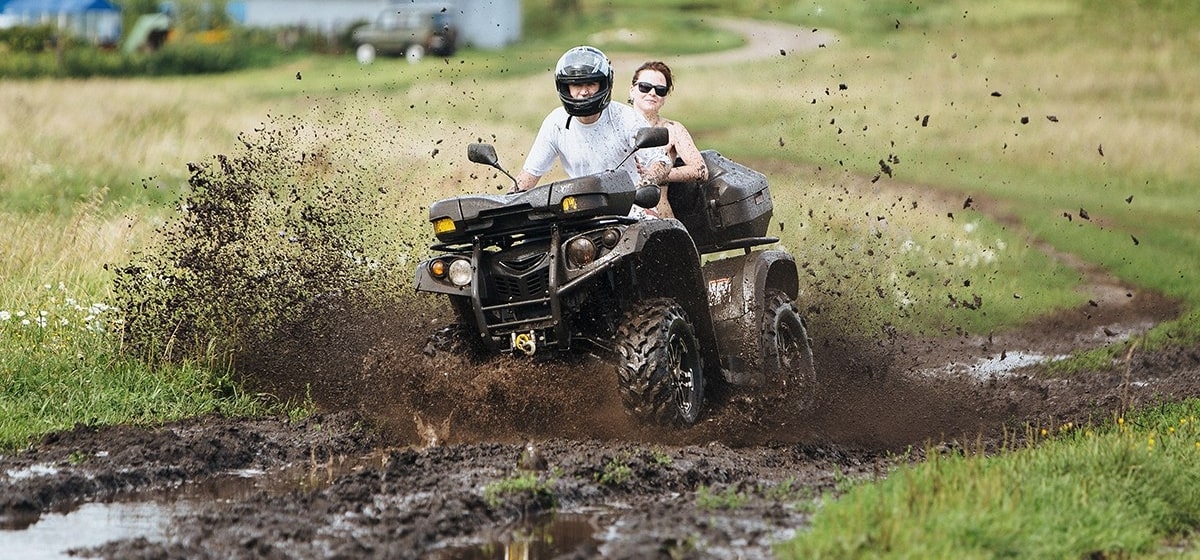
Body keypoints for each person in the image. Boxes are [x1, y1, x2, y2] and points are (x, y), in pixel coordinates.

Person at [514, 46, 670, 198]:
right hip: (582, 208)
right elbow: (529, 175)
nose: (584, 92)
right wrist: (506, 202)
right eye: (576, 84)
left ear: (603, 84)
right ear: (565, 87)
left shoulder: (625, 117)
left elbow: (661, 161)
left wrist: (648, 181)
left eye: (590, 84)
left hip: (632, 206)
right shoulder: (556, 123)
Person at [628, 61, 708, 219]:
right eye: (645, 87)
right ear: (632, 90)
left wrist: (658, 174)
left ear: (665, 97)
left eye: (660, 90)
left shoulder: (672, 129)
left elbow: (701, 170)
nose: (652, 93)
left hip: (658, 215)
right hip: (616, 213)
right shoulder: (614, 126)